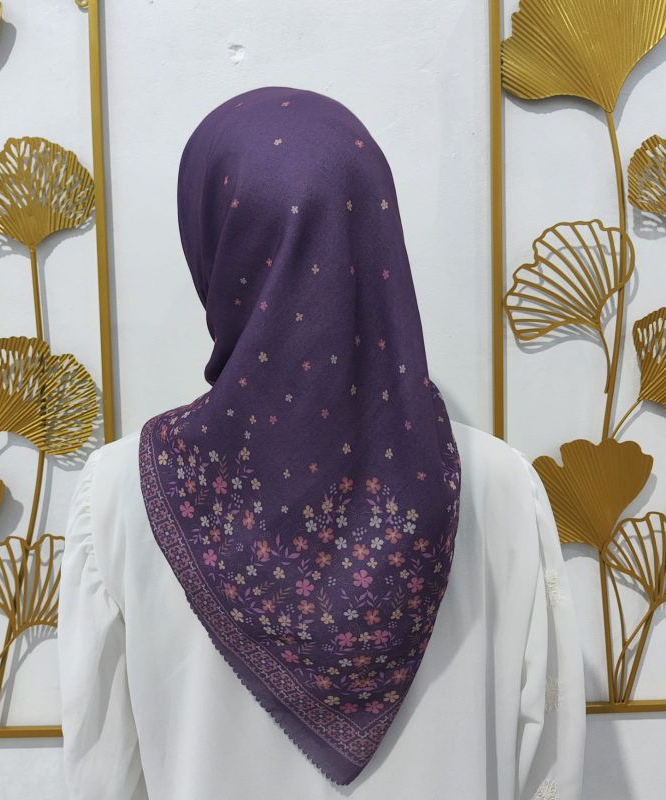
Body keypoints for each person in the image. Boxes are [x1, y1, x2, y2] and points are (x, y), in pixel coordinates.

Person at [58, 87, 585, 800]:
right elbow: (547, 770)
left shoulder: (121, 495)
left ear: (216, 244)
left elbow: (103, 776)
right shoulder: (501, 489)